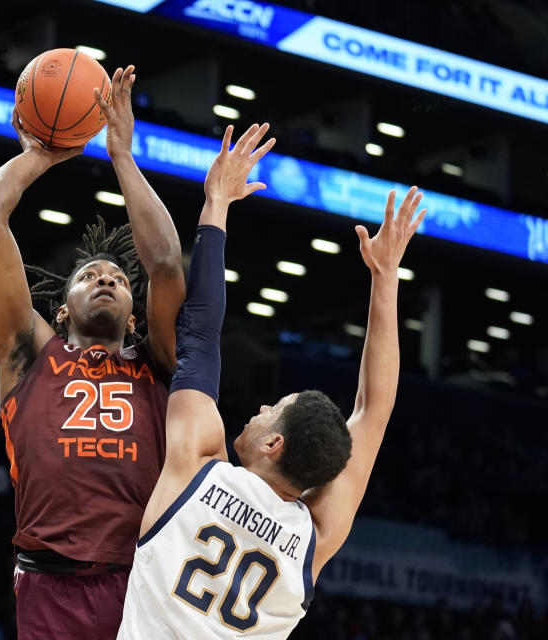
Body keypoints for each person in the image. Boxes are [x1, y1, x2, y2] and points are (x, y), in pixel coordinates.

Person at [117, 123, 426, 638]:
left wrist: (216, 203)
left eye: (271, 410)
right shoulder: (313, 538)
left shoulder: (197, 470)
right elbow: (375, 411)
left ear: (273, 442)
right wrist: (387, 279)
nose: (260, 408)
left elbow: (200, 331)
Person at [0, 64, 184, 639]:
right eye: (90, 275)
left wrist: (122, 156)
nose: (107, 279)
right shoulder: (28, 356)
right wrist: (47, 152)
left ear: (135, 316)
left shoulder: (157, 365)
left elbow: (164, 263)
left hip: (142, 584)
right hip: (49, 585)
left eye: (116, 277)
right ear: (60, 312)